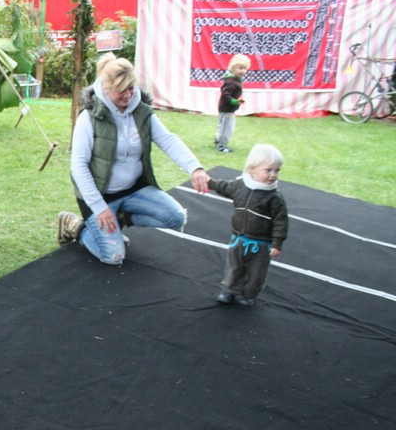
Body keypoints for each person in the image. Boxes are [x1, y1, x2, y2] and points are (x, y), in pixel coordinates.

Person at [56, 52, 210, 266]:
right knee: (114, 257)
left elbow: (167, 140)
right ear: (106, 88)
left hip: (134, 189)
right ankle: (76, 226)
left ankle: (121, 218)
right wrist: (100, 208)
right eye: (121, 90)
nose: (128, 95)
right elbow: (78, 167)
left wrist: (195, 168)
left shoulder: (141, 112)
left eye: (131, 88)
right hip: (99, 195)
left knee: (176, 217)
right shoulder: (88, 117)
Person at [207, 144, 288, 306]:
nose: (273, 175)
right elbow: (223, 187)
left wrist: (277, 242)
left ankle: (249, 294)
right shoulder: (240, 186)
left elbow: (281, 221)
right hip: (239, 239)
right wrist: (208, 182)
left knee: (257, 272)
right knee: (234, 267)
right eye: (268, 170)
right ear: (252, 169)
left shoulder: (274, 197)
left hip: (261, 244)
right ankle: (229, 291)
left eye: (277, 170)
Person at [215, 54, 250, 153]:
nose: (243, 71)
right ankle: (221, 145)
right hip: (227, 108)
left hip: (229, 109)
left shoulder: (235, 80)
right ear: (233, 68)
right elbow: (225, 94)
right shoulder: (231, 81)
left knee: (224, 125)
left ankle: (219, 139)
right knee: (227, 127)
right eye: (240, 68)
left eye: (245, 68)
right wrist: (234, 101)